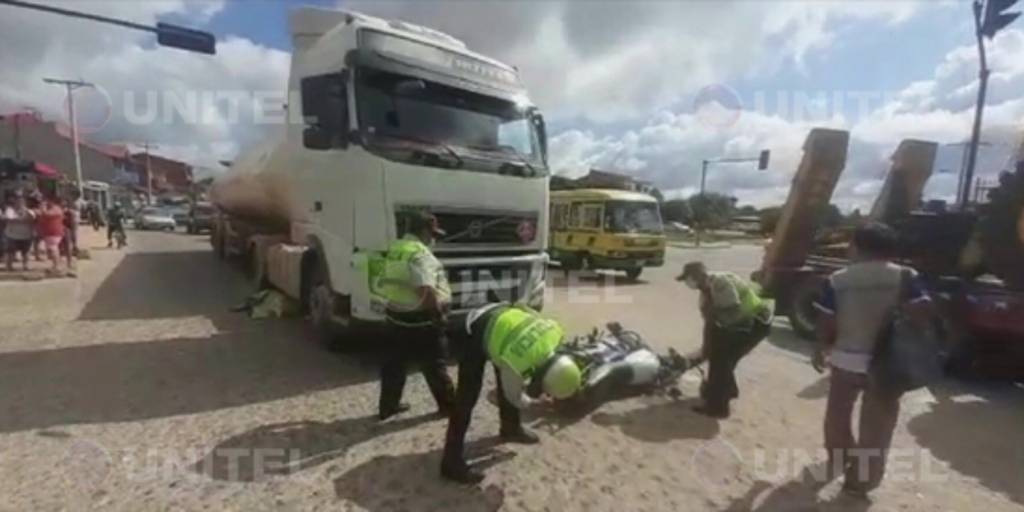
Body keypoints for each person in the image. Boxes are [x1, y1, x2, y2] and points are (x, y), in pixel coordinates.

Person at [812, 222, 930, 497]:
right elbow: (924, 308)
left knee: (837, 417)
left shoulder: (838, 279)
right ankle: (860, 483)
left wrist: (820, 347)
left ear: (858, 246)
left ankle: (841, 458)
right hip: (889, 364)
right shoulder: (906, 276)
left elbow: (827, 321)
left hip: (846, 360)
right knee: (877, 427)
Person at [441, 302, 583, 484]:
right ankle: (450, 463)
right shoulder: (516, 361)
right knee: (466, 398)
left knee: (506, 365)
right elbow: (514, 397)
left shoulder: (556, 331)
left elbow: (526, 310)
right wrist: (534, 404)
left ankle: (511, 428)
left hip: (503, 318)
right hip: (473, 330)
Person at [376, 211, 456, 421]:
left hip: (395, 315)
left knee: (394, 364)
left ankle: (388, 406)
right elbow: (426, 290)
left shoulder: (396, 248)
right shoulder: (420, 254)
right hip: (421, 319)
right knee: (434, 364)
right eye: (433, 234)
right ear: (424, 231)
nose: (433, 239)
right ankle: (449, 406)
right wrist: (437, 316)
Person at [677, 261, 773, 419]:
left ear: (696, 277)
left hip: (755, 322)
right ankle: (725, 391)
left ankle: (718, 408)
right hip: (742, 323)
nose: (688, 284)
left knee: (721, 360)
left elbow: (731, 310)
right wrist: (702, 352)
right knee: (721, 357)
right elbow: (711, 326)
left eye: (688, 279)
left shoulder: (720, 283)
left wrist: (708, 349)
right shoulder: (706, 292)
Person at [3, 193, 36, 271]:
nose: (20, 203)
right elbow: (9, 219)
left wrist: (19, 219)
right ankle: (9, 267)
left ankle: (26, 266)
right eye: (18, 201)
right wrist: (22, 219)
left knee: (26, 252)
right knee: (10, 252)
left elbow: (31, 219)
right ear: (15, 202)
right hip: (11, 235)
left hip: (26, 235)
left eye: (21, 201)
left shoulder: (29, 211)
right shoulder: (10, 210)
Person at [36, 195, 65, 274]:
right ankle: (55, 266)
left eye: (48, 201)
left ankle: (57, 267)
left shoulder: (56, 209)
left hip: (54, 232)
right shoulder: (50, 208)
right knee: (52, 249)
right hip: (48, 232)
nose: (46, 202)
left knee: (53, 248)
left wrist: (43, 207)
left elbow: (46, 214)